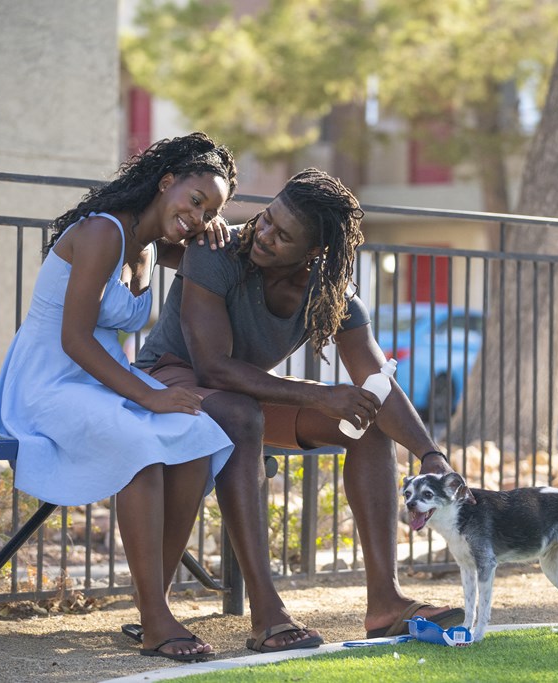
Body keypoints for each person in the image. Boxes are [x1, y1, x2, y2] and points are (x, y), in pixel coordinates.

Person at [133, 168, 462, 653]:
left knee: (363, 427)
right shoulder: (218, 251)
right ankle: (267, 612)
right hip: (172, 378)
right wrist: (317, 394)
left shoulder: (329, 293)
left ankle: (386, 603)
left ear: (313, 253)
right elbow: (212, 367)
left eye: (282, 235)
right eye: (267, 219)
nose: (262, 235)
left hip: (241, 396)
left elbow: (376, 381)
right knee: (242, 415)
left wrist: (429, 455)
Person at [0, 132, 238, 662]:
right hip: (51, 381)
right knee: (141, 451)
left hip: (104, 381)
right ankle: (155, 620)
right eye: (196, 201)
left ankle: (156, 602)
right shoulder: (103, 232)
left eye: (210, 210)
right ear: (166, 182)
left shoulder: (150, 245)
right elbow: (74, 339)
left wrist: (213, 232)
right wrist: (149, 399)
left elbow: (220, 253)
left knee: (197, 437)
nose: (198, 216)